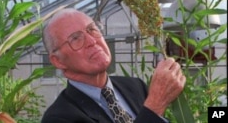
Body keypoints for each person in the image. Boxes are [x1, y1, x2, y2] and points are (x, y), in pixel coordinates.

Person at [41, 8, 186, 123]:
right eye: (76, 39)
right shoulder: (58, 118)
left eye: (92, 29)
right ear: (57, 61)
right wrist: (155, 106)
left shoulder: (135, 87)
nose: (92, 41)